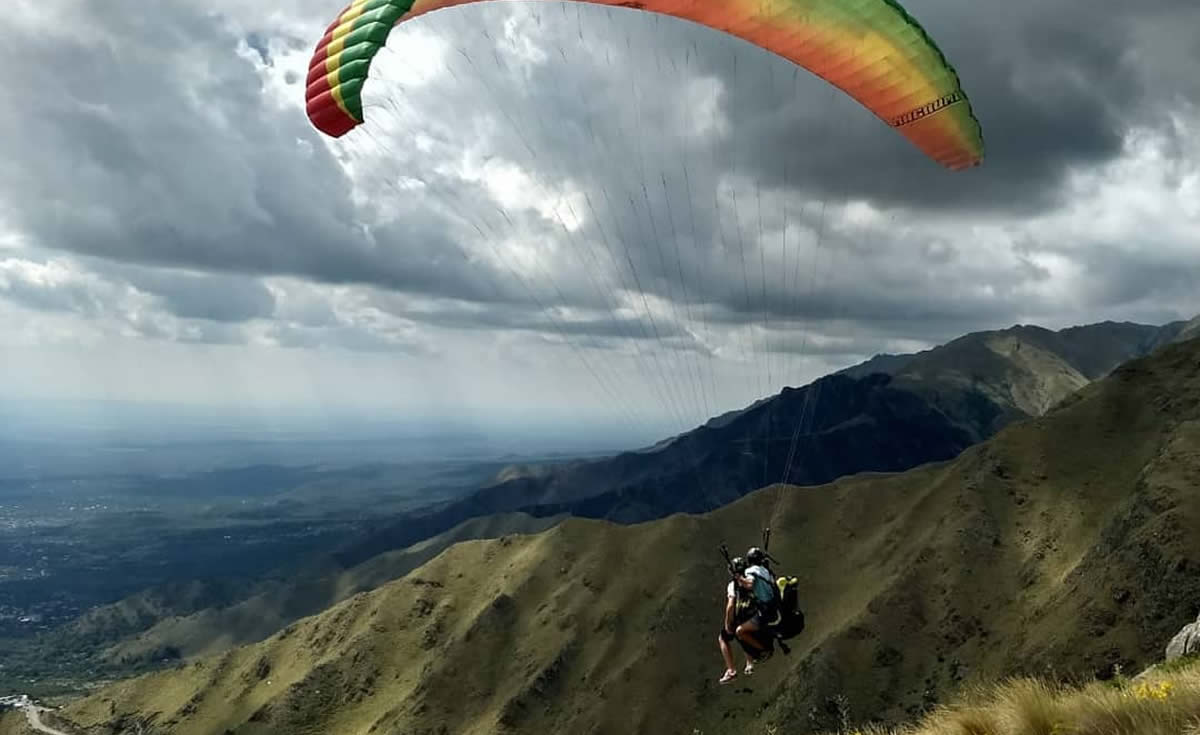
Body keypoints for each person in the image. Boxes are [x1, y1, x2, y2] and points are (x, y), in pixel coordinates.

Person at [718, 556, 755, 684]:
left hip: (742, 616)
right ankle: (749, 662)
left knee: (723, 637)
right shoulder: (751, 579)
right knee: (743, 634)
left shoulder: (732, 586)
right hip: (755, 613)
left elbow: (730, 606)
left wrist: (728, 623)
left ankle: (731, 670)